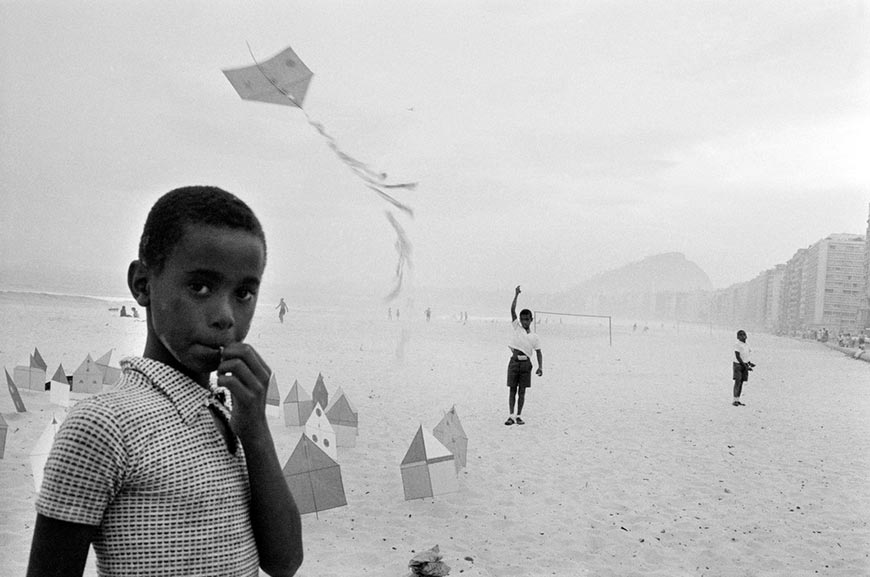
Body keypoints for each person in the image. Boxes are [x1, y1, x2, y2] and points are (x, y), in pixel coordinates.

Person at [26, 186, 303, 577]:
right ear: (142, 284)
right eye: (200, 287)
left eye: (243, 293)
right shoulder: (104, 425)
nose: (225, 316)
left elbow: (285, 561)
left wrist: (254, 428)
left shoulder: (226, 418)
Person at [505, 285, 542, 426]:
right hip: (514, 362)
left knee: (522, 391)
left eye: (527, 319)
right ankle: (511, 415)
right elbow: (512, 310)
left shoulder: (534, 336)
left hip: (526, 364)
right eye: (523, 319)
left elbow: (539, 352)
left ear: (531, 319)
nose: (525, 321)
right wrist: (516, 295)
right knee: (512, 389)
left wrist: (540, 367)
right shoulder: (517, 328)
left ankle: (519, 415)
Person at [732, 329, 755, 407]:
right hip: (738, 365)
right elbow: (737, 356)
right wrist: (744, 365)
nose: (743, 336)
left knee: (741, 382)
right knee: (737, 382)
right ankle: (734, 400)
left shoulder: (747, 345)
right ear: (737, 337)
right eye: (740, 335)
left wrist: (749, 363)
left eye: (744, 334)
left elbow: (746, 356)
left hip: (744, 364)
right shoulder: (737, 344)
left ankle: (738, 400)